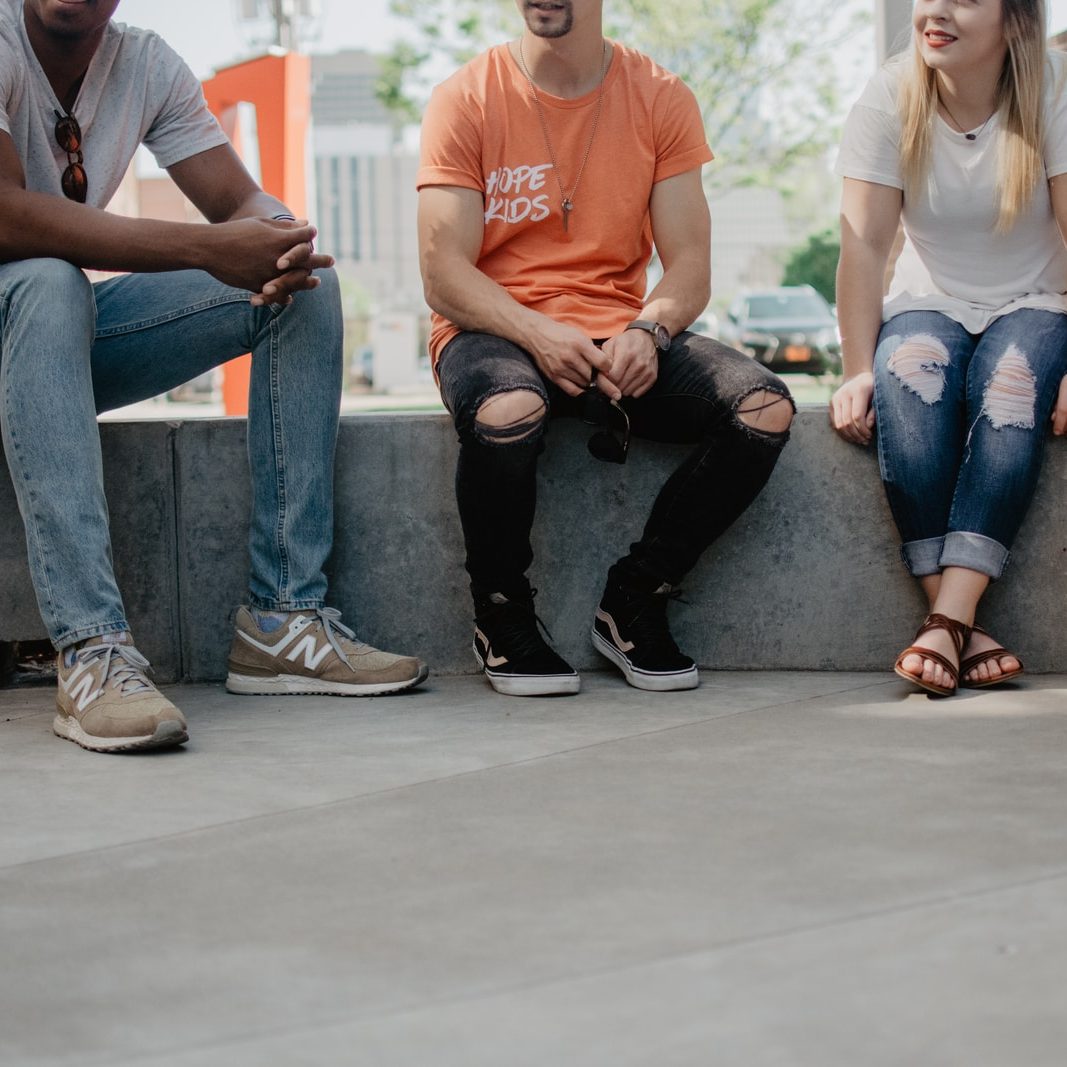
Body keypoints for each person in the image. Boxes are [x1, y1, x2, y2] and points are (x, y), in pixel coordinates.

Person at [0, 0, 428, 754]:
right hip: (29, 311)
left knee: (302, 291)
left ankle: (283, 619)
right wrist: (206, 248)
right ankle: (92, 650)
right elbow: (9, 220)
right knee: (47, 279)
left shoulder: (144, 64)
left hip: (53, 348)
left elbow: (237, 202)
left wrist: (277, 238)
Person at [416, 0, 794, 697]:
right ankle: (500, 614)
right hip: (493, 331)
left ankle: (635, 596)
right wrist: (533, 330)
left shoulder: (660, 95)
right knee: (506, 409)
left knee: (762, 408)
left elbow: (688, 265)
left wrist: (649, 329)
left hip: (617, 331)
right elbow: (444, 273)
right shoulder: (463, 98)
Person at [830, 0, 1067, 695]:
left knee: (1009, 387)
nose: (933, 11)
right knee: (904, 380)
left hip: (1038, 301)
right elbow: (864, 246)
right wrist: (853, 368)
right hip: (927, 298)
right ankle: (958, 621)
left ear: (1014, 18)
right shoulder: (888, 93)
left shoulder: (1052, 87)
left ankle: (943, 620)